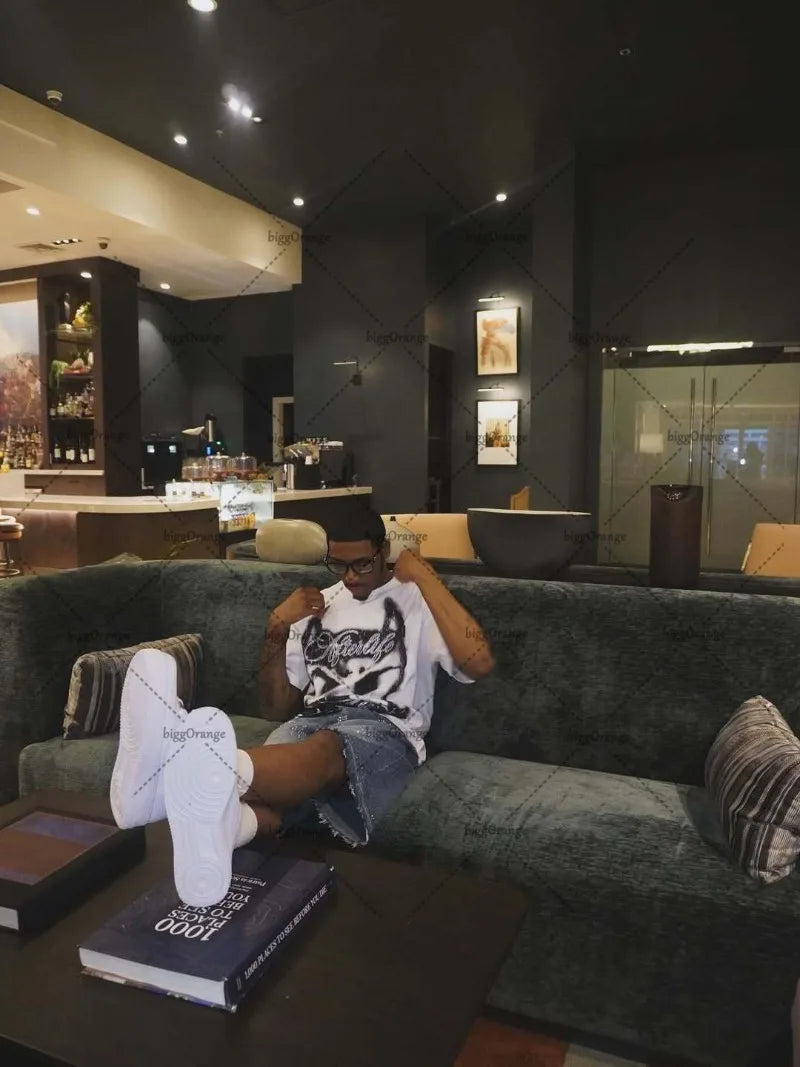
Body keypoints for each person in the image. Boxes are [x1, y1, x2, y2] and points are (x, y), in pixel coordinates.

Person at [110, 509, 495, 907]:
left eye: (362, 564)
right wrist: (276, 629)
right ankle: (223, 825)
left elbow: (479, 663)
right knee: (263, 802)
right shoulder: (315, 606)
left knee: (327, 746)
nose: (350, 577)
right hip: (310, 721)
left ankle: (173, 774)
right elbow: (276, 709)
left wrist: (425, 576)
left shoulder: (417, 599)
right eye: (338, 564)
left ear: (383, 551)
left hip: (384, 726)